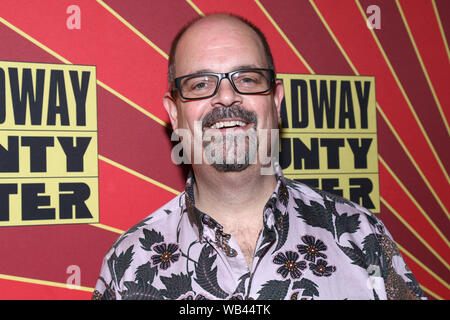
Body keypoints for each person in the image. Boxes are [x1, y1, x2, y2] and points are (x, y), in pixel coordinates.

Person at [92, 13, 426, 300]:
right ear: (175, 115)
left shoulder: (359, 235)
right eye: (200, 84)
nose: (226, 97)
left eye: (247, 79)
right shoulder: (130, 262)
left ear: (276, 102)